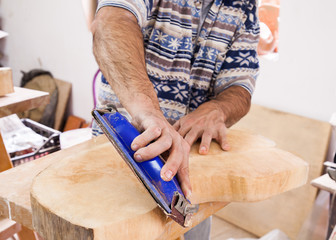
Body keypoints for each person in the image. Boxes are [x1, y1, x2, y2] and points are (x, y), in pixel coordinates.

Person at [91, 0, 259, 238]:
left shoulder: (246, 5)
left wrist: (219, 108)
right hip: (121, 165)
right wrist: (148, 112)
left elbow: (241, 85)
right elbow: (111, 21)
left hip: (191, 175)